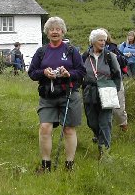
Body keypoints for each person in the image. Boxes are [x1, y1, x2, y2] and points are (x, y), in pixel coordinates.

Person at [28, 17, 86, 172]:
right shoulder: (41, 52)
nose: (54, 32)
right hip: (47, 95)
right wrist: (43, 72)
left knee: (68, 129)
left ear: (62, 32)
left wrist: (68, 73)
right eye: (51, 29)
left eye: (58, 29)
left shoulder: (71, 51)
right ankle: (45, 165)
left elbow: (81, 71)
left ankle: (69, 165)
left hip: (68, 94)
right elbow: (32, 73)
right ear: (47, 33)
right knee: (45, 127)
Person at [82, 29, 122, 158]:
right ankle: (99, 137)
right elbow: (80, 73)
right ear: (93, 41)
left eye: (104, 40)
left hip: (107, 92)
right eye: (100, 40)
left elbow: (117, 75)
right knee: (92, 122)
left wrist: (114, 91)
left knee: (105, 123)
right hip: (90, 93)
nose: (103, 42)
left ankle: (104, 152)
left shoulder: (110, 56)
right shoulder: (85, 56)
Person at [104, 29, 128, 132]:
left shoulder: (113, 48)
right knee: (106, 109)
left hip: (116, 80)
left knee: (118, 109)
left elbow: (124, 62)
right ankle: (104, 133)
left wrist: (114, 56)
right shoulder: (91, 51)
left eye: (103, 37)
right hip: (103, 81)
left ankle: (123, 128)